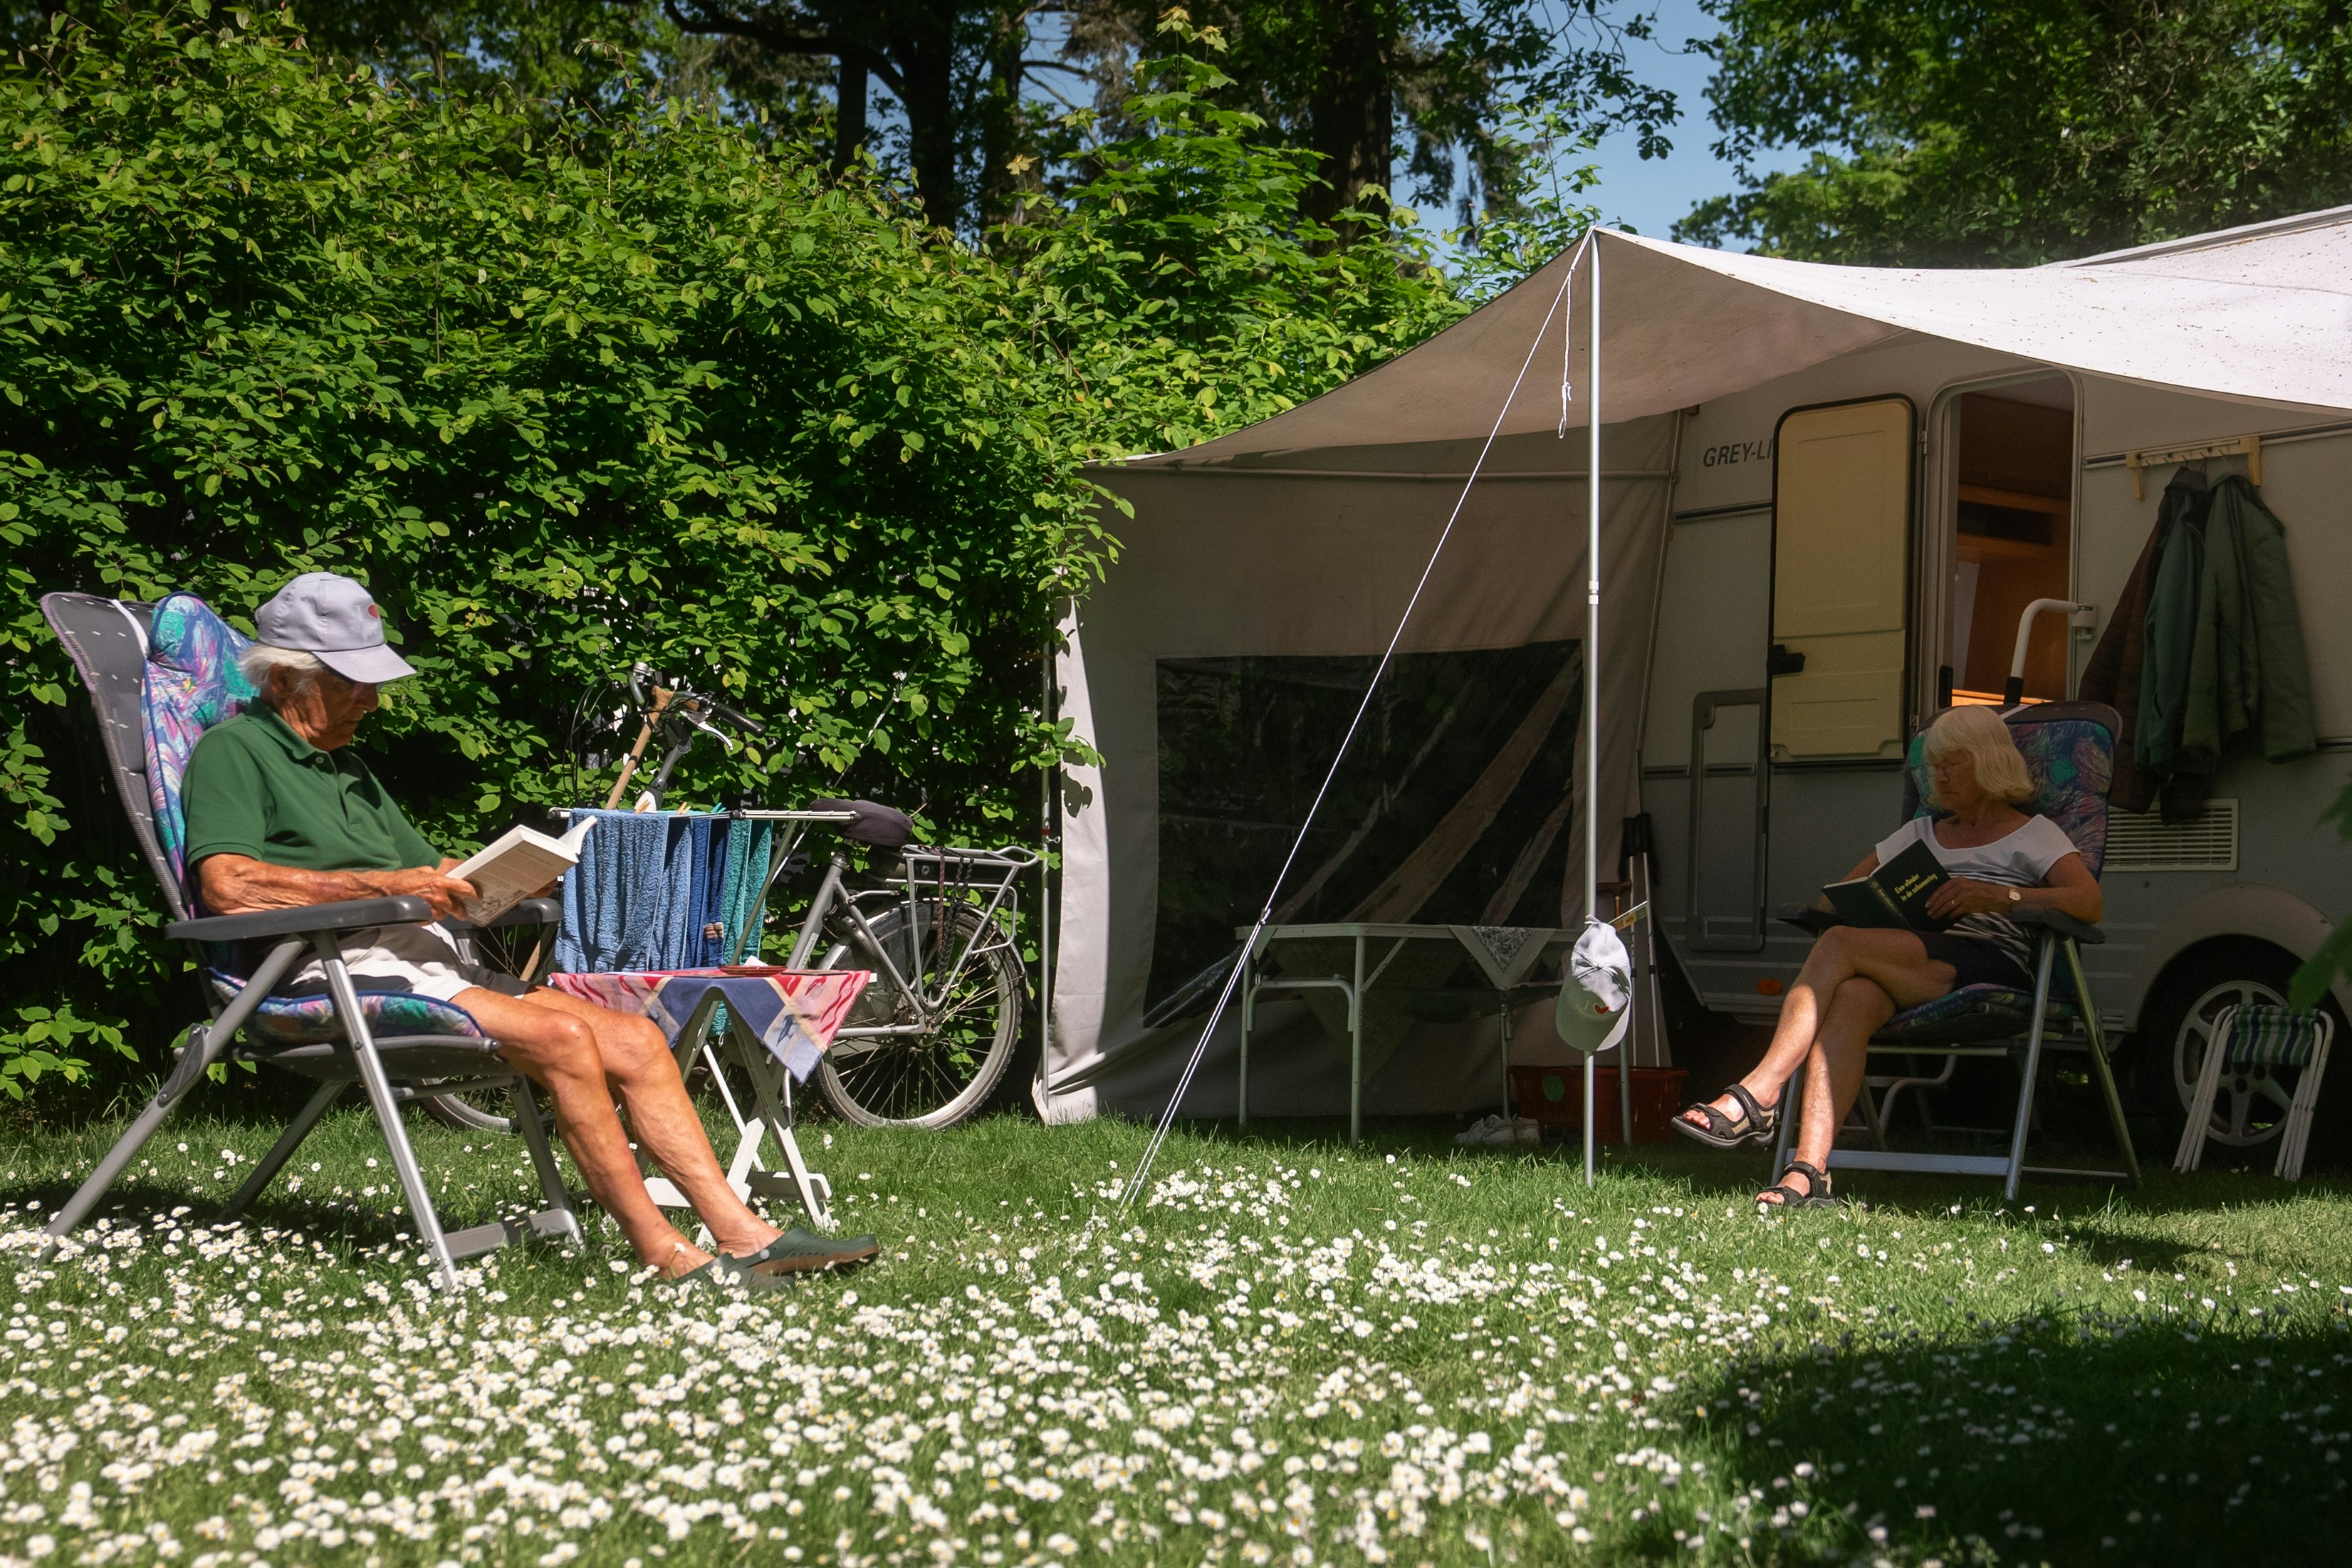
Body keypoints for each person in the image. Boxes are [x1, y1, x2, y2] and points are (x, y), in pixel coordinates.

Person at [179, 571, 877, 1282]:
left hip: (420, 957)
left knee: (635, 1039)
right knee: (565, 1038)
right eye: (350, 680)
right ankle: (664, 1253)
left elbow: (429, 868)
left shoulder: (348, 768)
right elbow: (229, 886)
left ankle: (741, 1233)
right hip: (324, 967)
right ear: (287, 679)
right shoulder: (235, 752)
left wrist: (517, 874)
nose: (372, 698)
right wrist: (392, 887)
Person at [1669, 705, 2101, 1207]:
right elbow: (1834, 898)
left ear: (1989, 762)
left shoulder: (2033, 833)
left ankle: (1760, 1091)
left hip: (1986, 962)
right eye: (1935, 765)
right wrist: (1887, 900)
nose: (1940, 776)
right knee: (1851, 995)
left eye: (1954, 763)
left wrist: (1997, 896)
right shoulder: (1920, 834)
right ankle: (1807, 1173)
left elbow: (2087, 903)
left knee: (1836, 944)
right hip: (1915, 956)